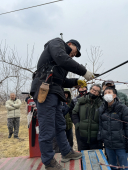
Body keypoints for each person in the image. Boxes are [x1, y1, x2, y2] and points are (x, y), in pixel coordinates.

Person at [30, 38, 94, 170]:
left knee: (60, 125)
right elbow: (62, 58)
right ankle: (48, 161)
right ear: (70, 44)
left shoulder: (61, 65)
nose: (75, 55)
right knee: (47, 128)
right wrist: (83, 71)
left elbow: (62, 82)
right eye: (76, 52)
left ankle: (66, 152)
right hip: (45, 91)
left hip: (55, 93)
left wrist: (77, 81)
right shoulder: (57, 43)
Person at [102, 80, 128, 170]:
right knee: (112, 164)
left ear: (114, 95)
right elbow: (101, 124)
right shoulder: (102, 109)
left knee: (123, 163)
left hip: (121, 141)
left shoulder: (122, 106)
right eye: (105, 92)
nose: (107, 94)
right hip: (109, 142)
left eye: (109, 92)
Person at [72, 84, 103, 151]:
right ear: (90, 90)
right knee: (83, 156)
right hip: (82, 135)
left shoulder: (101, 104)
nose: (94, 91)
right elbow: (74, 113)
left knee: (96, 157)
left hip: (96, 138)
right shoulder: (81, 101)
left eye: (97, 91)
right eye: (93, 89)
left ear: (99, 94)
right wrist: (77, 125)